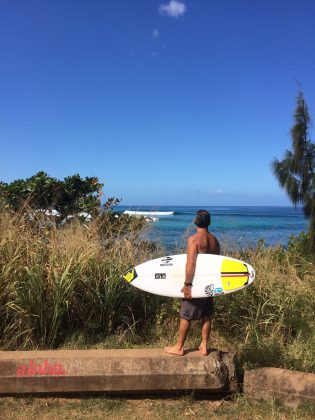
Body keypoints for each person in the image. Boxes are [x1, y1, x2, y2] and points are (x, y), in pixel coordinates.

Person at [164, 209, 220, 356]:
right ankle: (204, 345)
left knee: (185, 315)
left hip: (196, 283)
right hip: (209, 285)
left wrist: (188, 284)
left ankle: (179, 347)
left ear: (196, 221)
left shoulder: (193, 239)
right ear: (208, 222)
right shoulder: (215, 241)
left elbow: (191, 263)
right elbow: (216, 264)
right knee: (206, 315)